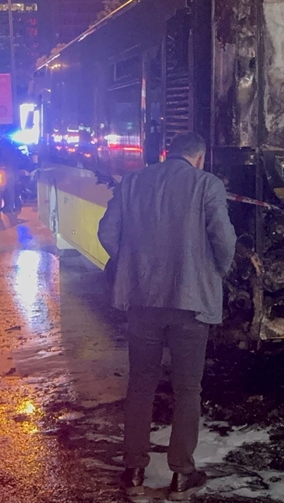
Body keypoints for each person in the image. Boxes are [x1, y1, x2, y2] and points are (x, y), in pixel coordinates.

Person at [97, 132, 237, 501]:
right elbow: (223, 238)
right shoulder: (207, 185)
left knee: (141, 383)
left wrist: (133, 263)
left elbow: (107, 232)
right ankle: (181, 475)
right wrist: (215, 271)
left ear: (167, 154)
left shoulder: (133, 181)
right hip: (189, 303)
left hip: (142, 300)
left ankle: (134, 472)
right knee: (187, 388)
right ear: (200, 158)